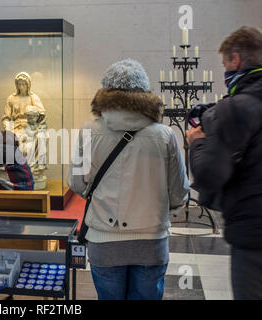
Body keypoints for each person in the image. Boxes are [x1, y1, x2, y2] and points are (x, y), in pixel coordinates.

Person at [68, 59, 189, 300]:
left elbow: (76, 183)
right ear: (144, 94)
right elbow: (179, 191)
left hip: (104, 240)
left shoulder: (88, 131)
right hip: (151, 241)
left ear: (105, 94)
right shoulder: (165, 135)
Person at [186, 26, 262, 300]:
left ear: (235, 60)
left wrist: (197, 141)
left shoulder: (237, 108)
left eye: (224, 64)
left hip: (253, 235)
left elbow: (209, 174)